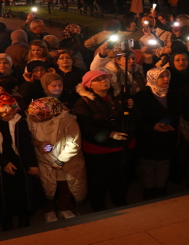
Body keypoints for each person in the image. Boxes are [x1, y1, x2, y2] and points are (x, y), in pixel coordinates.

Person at [73, 70, 135, 211]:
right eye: (98, 79)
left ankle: (119, 200)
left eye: (105, 78)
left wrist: (130, 108)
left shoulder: (116, 98)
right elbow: (86, 127)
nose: (103, 81)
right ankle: (98, 207)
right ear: (89, 85)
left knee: (119, 177)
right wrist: (110, 134)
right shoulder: (83, 102)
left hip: (119, 146)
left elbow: (128, 120)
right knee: (98, 181)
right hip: (98, 150)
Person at [0, 92, 40, 230]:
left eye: (13, 114)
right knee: (2, 193)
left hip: (17, 159)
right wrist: (3, 163)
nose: (11, 117)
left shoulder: (19, 120)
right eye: (8, 115)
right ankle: (5, 220)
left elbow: (26, 144)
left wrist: (31, 165)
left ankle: (24, 217)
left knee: (21, 190)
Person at [26, 97, 87, 222]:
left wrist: (60, 160)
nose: (34, 118)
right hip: (43, 160)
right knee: (47, 188)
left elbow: (74, 143)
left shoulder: (67, 120)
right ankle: (49, 210)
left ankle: (64, 208)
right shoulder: (31, 119)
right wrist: (38, 144)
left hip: (67, 161)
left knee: (66, 187)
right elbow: (29, 138)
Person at [132, 67, 182, 199]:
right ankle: (149, 189)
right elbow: (137, 119)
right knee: (148, 165)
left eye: (167, 76)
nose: (166, 79)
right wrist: (152, 126)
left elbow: (177, 112)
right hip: (149, 137)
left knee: (164, 163)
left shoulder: (172, 94)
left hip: (167, 136)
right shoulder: (142, 96)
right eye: (161, 77)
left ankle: (161, 188)